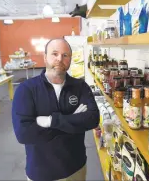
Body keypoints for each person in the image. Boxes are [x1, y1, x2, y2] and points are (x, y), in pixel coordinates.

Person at [12, 38, 100, 181]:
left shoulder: (81, 87)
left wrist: (49, 121)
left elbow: (93, 119)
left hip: (75, 168)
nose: (60, 59)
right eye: (55, 54)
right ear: (45, 57)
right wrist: (72, 121)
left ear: (70, 59)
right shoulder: (27, 89)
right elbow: (24, 134)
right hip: (41, 173)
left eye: (65, 55)